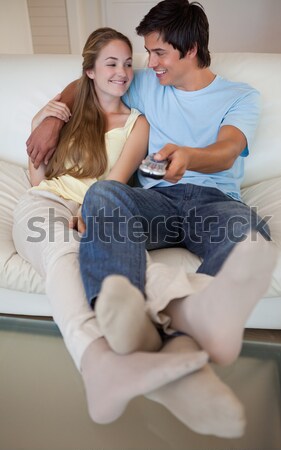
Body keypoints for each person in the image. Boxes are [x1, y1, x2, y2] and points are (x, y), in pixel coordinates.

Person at [24, 1, 277, 437]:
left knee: (247, 233)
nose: (149, 62)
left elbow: (229, 148)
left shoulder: (239, 96)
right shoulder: (146, 82)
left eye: (158, 53)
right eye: (147, 52)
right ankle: (116, 313)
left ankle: (182, 331)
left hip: (212, 201)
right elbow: (87, 82)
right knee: (105, 193)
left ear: (190, 48)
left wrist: (190, 157)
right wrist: (51, 117)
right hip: (155, 202)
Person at [13, 26, 213, 431]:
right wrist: (45, 121)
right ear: (89, 70)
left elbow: (117, 183)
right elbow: (39, 177)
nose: (122, 72)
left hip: (101, 207)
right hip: (47, 203)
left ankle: (171, 337)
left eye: (126, 63)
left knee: (125, 259)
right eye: (111, 63)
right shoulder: (60, 116)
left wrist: (90, 213)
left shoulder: (137, 123)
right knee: (63, 256)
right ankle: (98, 359)